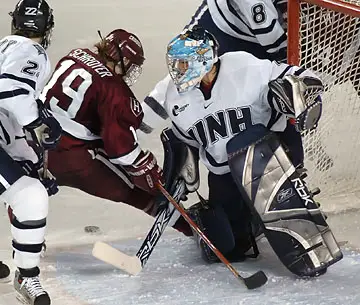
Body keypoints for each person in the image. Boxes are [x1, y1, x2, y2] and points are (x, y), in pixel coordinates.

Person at [144, 26, 343, 277]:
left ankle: (293, 213)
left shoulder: (245, 67)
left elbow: (302, 78)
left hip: (267, 154)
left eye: (183, 64)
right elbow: (177, 138)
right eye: (175, 64)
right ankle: (250, 220)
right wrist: (175, 173)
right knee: (227, 249)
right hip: (223, 174)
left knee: (245, 143)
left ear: (204, 59)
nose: (176, 71)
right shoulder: (173, 96)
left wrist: (303, 94)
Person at [141, 0, 337, 170]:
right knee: (187, 76)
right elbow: (270, 37)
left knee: (284, 95)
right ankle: (136, 124)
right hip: (224, 30)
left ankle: (295, 164)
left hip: (258, 28)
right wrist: (291, 69)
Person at [40, 29, 193, 236]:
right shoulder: (114, 89)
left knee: (22, 194)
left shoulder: (74, 55)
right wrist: (150, 172)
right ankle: (192, 228)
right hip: (74, 157)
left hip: (35, 143)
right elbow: (121, 151)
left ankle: (27, 247)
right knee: (134, 189)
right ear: (123, 60)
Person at [0, 0, 60, 304]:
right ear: (47, 27)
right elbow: (9, 90)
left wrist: (32, 163)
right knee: (29, 196)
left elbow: (7, 118)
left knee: (21, 187)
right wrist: (37, 122)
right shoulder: (30, 51)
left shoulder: (5, 48)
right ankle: (26, 275)